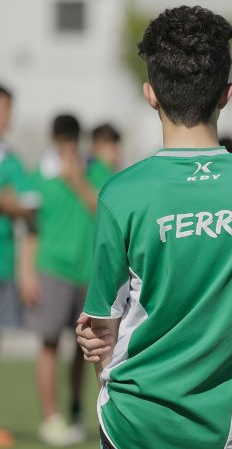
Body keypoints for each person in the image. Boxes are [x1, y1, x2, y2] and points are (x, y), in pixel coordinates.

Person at [74, 6, 232, 448]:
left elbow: (101, 331)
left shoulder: (120, 194)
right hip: (231, 428)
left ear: (150, 94)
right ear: (226, 94)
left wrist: (101, 352)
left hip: (133, 425)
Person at [19, 113, 98, 447]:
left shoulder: (95, 170)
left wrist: (78, 180)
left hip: (89, 273)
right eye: (62, 143)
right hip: (51, 270)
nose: (67, 149)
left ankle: (77, 412)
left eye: (72, 142)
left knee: (86, 349)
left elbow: (103, 211)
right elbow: (31, 229)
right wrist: (26, 273)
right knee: (49, 344)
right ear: (54, 141)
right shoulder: (38, 177)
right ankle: (52, 419)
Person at [0, 84, 38, 449]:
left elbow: (29, 205)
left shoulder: (11, 159)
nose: (6, 117)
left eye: (9, 109)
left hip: (3, 263)